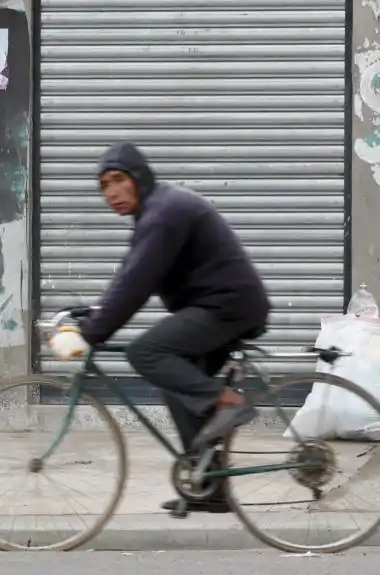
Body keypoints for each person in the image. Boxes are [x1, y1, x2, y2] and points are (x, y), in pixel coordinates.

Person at [49, 142, 271, 514]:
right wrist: (94, 315)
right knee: (177, 385)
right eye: (104, 186)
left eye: (118, 180)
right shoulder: (155, 214)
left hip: (228, 306)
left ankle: (227, 402)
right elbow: (131, 277)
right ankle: (209, 487)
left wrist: (90, 334)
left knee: (146, 352)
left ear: (139, 178)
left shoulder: (164, 213)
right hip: (219, 305)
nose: (112, 193)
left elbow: (136, 283)